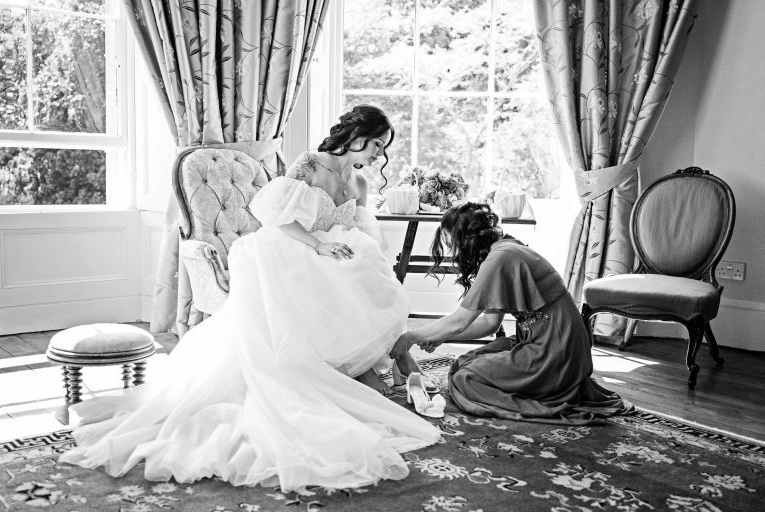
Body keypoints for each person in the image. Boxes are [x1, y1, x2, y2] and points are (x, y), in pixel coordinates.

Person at [58, 105, 441, 492]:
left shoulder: (359, 184)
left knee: (371, 276)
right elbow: (276, 216)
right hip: (294, 247)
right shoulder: (309, 165)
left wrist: (349, 252)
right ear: (357, 136)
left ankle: (359, 366)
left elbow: (358, 229)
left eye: (383, 148)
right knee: (314, 287)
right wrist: (317, 247)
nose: (380, 154)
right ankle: (313, 375)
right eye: (377, 144)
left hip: (332, 253)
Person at [389, 202, 633, 425]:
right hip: (552, 341)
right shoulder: (504, 249)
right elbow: (489, 324)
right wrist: (441, 335)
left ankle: (542, 401)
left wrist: (409, 338)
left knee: (466, 379)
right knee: (463, 364)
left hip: (555, 350)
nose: (452, 250)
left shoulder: (499, 259)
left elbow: (460, 321)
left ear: (465, 239)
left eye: (450, 241)